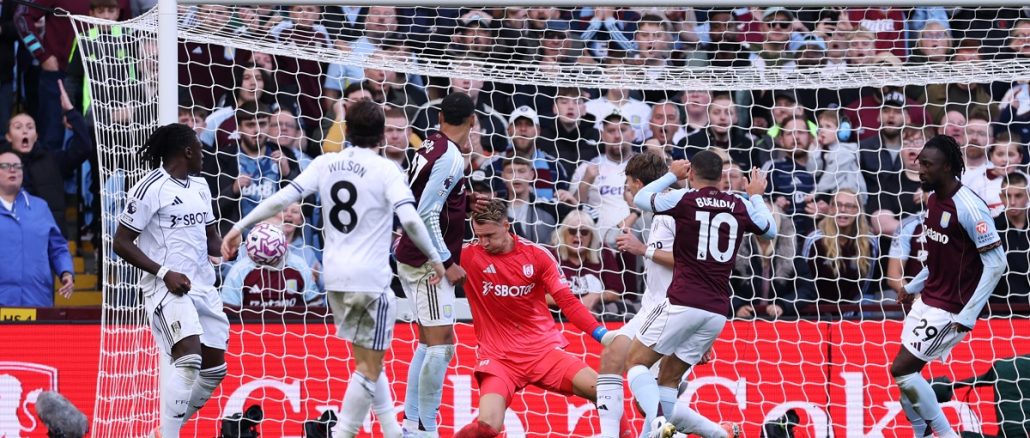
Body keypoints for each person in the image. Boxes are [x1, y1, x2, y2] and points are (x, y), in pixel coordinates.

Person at [220, 100, 446, 437]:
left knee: (368, 361)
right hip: (370, 280)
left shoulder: (326, 162)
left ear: (347, 131)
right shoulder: (387, 170)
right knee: (369, 367)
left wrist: (239, 226)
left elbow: (282, 198)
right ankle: (342, 433)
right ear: (382, 136)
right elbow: (410, 220)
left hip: (335, 279)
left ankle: (392, 431)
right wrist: (435, 257)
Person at [630, 151, 776, 438]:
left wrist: (671, 175)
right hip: (717, 311)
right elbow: (769, 230)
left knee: (635, 362)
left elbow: (641, 198)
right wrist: (756, 196)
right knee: (668, 379)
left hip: (682, 301)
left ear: (691, 173)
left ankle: (658, 421)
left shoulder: (685, 199)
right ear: (721, 178)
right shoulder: (739, 204)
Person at [452, 199, 622, 438]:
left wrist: (601, 334)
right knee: (487, 426)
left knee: (606, 393)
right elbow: (426, 253)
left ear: (506, 226)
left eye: (489, 235)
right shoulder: (468, 255)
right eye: (478, 236)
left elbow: (567, 301)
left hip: (543, 352)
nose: (484, 242)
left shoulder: (536, 255)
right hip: (499, 359)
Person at [112, 124, 228, 437]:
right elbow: (121, 242)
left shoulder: (200, 185)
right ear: (187, 151)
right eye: (200, 149)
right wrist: (164, 273)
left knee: (214, 370)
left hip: (202, 285)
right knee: (189, 361)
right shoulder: (149, 188)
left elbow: (211, 238)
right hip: (167, 288)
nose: (204, 155)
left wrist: (229, 246)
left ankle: (163, 432)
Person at [890, 135, 1006, 438]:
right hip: (928, 300)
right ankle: (922, 434)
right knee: (906, 377)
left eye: (928, 165)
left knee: (902, 369)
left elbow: (997, 264)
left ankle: (944, 434)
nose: (921, 170)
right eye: (920, 164)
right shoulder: (932, 200)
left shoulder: (970, 207)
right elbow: (940, 258)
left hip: (952, 308)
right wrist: (913, 286)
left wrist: (969, 314)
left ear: (947, 167)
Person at [396, 92, 477, 436]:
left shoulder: (430, 144)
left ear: (440, 117)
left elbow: (420, 193)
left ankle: (412, 425)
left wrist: (461, 201)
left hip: (416, 253)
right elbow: (426, 211)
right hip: (427, 262)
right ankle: (426, 428)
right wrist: (445, 261)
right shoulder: (451, 157)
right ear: (472, 121)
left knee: (430, 344)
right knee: (442, 347)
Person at [598, 153, 675, 438]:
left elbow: (691, 262)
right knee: (612, 357)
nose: (627, 192)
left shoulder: (675, 212)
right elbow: (612, 238)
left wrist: (642, 249)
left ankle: (718, 433)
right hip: (651, 308)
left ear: (639, 184)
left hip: (674, 310)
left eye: (629, 186)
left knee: (652, 405)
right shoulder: (650, 213)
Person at [0, 150, 73, 307]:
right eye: (5, 166)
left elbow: (58, 248)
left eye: (17, 166)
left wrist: (66, 271)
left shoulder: (40, 207)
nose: (12, 170)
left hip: (37, 300)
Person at [992, 173, 1029, 310]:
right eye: (1008, 196)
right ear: (1001, 197)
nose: (1012, 202)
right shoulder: (991, 230)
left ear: (1028, 195)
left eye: (1018, 196)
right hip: (999, 310)